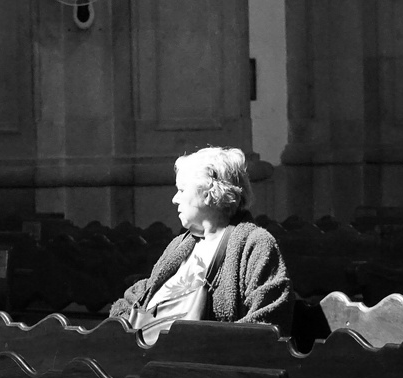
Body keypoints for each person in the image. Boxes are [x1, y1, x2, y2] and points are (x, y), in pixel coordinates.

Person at [108, 147, 291, 344]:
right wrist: (121, 322)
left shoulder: (254, 243)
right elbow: (146, 291)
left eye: (181, 190)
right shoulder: (181, 244)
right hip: (151, 356)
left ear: (208, 193)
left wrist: (208, 347)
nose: (174, 199)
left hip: (205, 364)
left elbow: (269, 319)